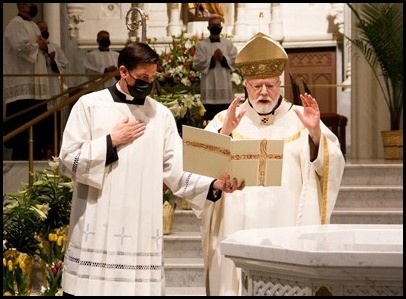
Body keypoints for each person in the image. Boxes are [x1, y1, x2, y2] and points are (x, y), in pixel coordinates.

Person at [58, 42, 244, 296]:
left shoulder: (161, 115)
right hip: (99, 219)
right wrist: (110, 141)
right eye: (142, 77)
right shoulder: (89, 105)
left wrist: (212, 184)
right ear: (123, 72)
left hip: (141, 226)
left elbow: (178, 166)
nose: (147, 83)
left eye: (152, 77)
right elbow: (69, 159)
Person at [197, 32, 346, 296]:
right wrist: (226, 133)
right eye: (257, 86)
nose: (264, 92)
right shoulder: (227, 118)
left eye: (270, 85)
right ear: (246, 86)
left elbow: (331, 163)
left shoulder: (302, 117)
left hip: (286, 221)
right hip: (237, 224)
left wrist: (314, 135)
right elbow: (201, 172)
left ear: (280, 85)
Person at [3, 3, 52, 160]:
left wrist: (44, 49)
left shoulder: (33, 26)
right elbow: (20, 47)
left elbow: (38, 47)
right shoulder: (14, 25)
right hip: (22, 84)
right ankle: (21, 155)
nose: (34, 5)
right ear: (22, 5)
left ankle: (38, 153)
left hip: (37, 85)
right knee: (22, 130)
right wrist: (39, 44)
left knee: (38, 128)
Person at [193, 16, 238, 122]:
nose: (216, 27)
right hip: (208, 86)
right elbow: (197, 63)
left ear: (221, 27)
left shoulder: (227, 44)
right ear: (208, 27)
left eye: (218, 25)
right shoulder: (202, 45)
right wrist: (212, 59)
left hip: (224, 86)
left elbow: (235, 61)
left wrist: (223, 58)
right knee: (209, 120)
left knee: (224, 120)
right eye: (213, 25)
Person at [37, 20, 70, 129]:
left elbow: (64, 63)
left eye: (46, 28)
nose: (45, 31)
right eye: (41, 29)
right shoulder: (34, 47)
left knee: (54, 116)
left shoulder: (54, 46)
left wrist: (53, 62)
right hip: (40, 84)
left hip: (54, 84)